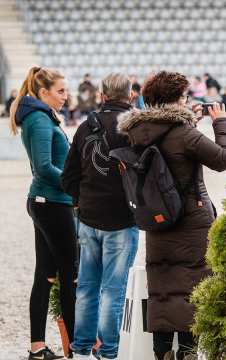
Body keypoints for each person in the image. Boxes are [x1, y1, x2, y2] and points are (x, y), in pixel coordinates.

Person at [116, 71, 226, 360]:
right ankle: (186, 352)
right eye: (183, 97)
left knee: (162, 286)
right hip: (191, 221)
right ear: (175, 99)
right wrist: (221, 122)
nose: (187, 100)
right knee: (191, 285)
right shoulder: (184, 133)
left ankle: (161, 353)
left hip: (156, 219)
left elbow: (166, 144)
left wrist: (188, 121)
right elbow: (224, 158)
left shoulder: (138, 131)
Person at [62, 73, 139, 360]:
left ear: (102, 95)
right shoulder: (135, 128)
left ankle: (81, 350)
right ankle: (108, 353)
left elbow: (68, 176)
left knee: (86, 288)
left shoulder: (85, 127)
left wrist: (80, 203)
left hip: (88, 217)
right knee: (112, 292)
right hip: (122, 220)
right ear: (130, 96)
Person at [10, 66, 77, 360]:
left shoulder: (41, 117)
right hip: (52, 204)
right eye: (60, 91)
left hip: (48, 202)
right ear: (43, 93)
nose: (66, 96)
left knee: (46, 276)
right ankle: (78, 345)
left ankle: (38, 347)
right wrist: (75, 187)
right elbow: (44, 167)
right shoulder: (38, 120)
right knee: (69, 274)